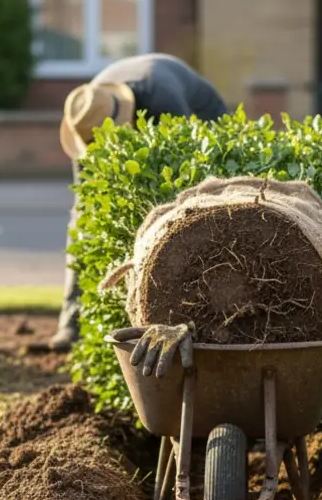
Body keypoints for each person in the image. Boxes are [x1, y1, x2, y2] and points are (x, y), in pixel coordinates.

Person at [45, 53, 230, 353]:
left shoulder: (162, 100)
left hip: (203, 118)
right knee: (83, 215)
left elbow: (183, 185)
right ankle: (70, 323)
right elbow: (84, 211)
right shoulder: (86, 111)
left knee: (191, 214)